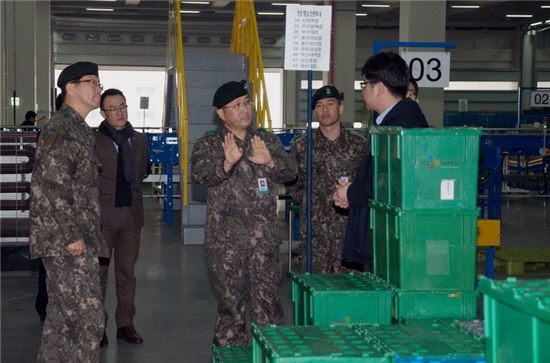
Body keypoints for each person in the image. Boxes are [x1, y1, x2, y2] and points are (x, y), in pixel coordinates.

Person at [191, 80, 297, 346]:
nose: (244, 109)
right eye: (236, 105)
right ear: (221, 113)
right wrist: (226, 163)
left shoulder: (265, 140)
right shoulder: (209, 144)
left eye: (247, 103)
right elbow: (200, 175)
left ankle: (270, 353)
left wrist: (271, 161)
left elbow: (291, 171)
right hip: (226, 245)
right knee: (230, 309)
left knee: (269, 307)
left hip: (264, 244)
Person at [29, 61, 107, 362]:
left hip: (74, 238)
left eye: (99, 83)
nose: (98, 88)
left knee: (61, 321)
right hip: (68, 241)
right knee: (88, 321)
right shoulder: (61, 129)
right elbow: (52, 187)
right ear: (70, 87)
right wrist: (72, 237)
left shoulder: (79, 130)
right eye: (92, 82)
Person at [333, 51, 429, 271]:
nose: (363, 90)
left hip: (393, 236)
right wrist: (353, 190)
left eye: (364, 85)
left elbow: (388, 182)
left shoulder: (400, 127)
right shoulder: (393, 122)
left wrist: (350, 193)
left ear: (379, 87)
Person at [287, 85, 368, 273]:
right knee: (316, 289)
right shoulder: (302, 146)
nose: (325, 110)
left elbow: (366, 185)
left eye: (330, 104)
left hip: (349, 233)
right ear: (314, 112)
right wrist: (313, 204)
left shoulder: (359, 145)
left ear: (340, 108)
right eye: (320, 105)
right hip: (316, 236)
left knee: (350, 290)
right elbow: (293, 185)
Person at [96, 88, 149, 345]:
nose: (120, 113)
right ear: (102, 113)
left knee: (127, 274)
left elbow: (141, 173)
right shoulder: (93, 140)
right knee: (99, 276)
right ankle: (97, 326)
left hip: (131, 217)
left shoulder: (139, 140)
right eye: (113, 109)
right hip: (103, 219)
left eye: (123, 106)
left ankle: (125, 324)